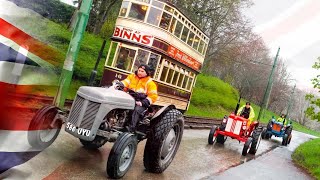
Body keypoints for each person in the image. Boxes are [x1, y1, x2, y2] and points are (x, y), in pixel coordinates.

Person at [120, 64, 158, 132]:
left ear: (146, 73)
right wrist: (120, 84)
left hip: (141, 102)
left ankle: (131, 128)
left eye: (142, 71)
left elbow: (153, 96)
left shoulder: (150, 83)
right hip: (130, 98)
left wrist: (142, 103)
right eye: (139, 70)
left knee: (136, 110)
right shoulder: (132, 76)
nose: (139, 72)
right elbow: (125, 82)